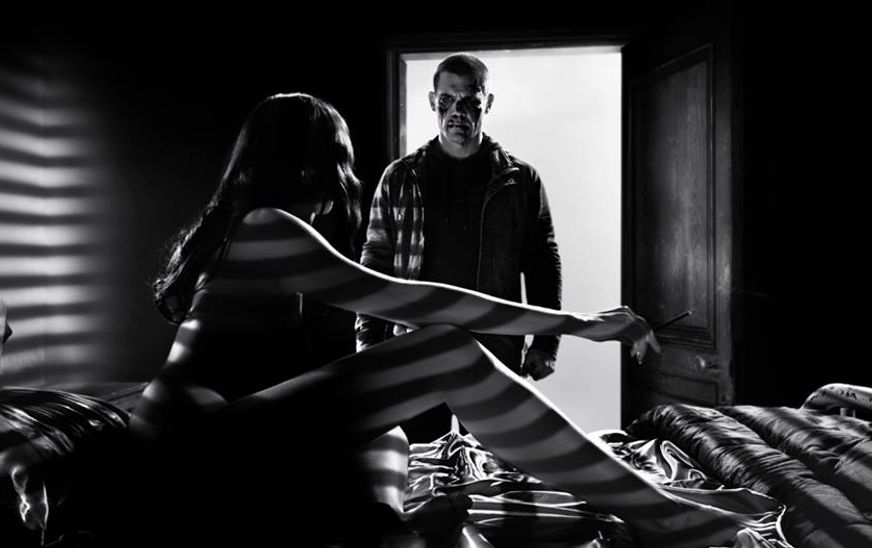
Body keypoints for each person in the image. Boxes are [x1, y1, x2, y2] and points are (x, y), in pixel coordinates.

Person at [126, 92, 740, 548]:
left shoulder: (241, 233)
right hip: (192, 453)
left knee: (387, 431)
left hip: (204, 444)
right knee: (445, 348)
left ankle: (386, 528)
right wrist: (575, 322)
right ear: (314, 163)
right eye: (340, 157)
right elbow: (417, 301)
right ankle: (663, 515)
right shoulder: (269, 229)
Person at [357, 53, 561, 441]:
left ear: (488, 103)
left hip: (493, 352)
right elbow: (375, 263)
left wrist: (546, 343)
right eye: (447, 101)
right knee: (418, 460)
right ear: (432, 101)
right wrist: (367, 342)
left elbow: (542, 262)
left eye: (469, 102)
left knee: (492, 463)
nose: (457, 113)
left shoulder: (520, 180)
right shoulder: (401, 177)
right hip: (416, 349)